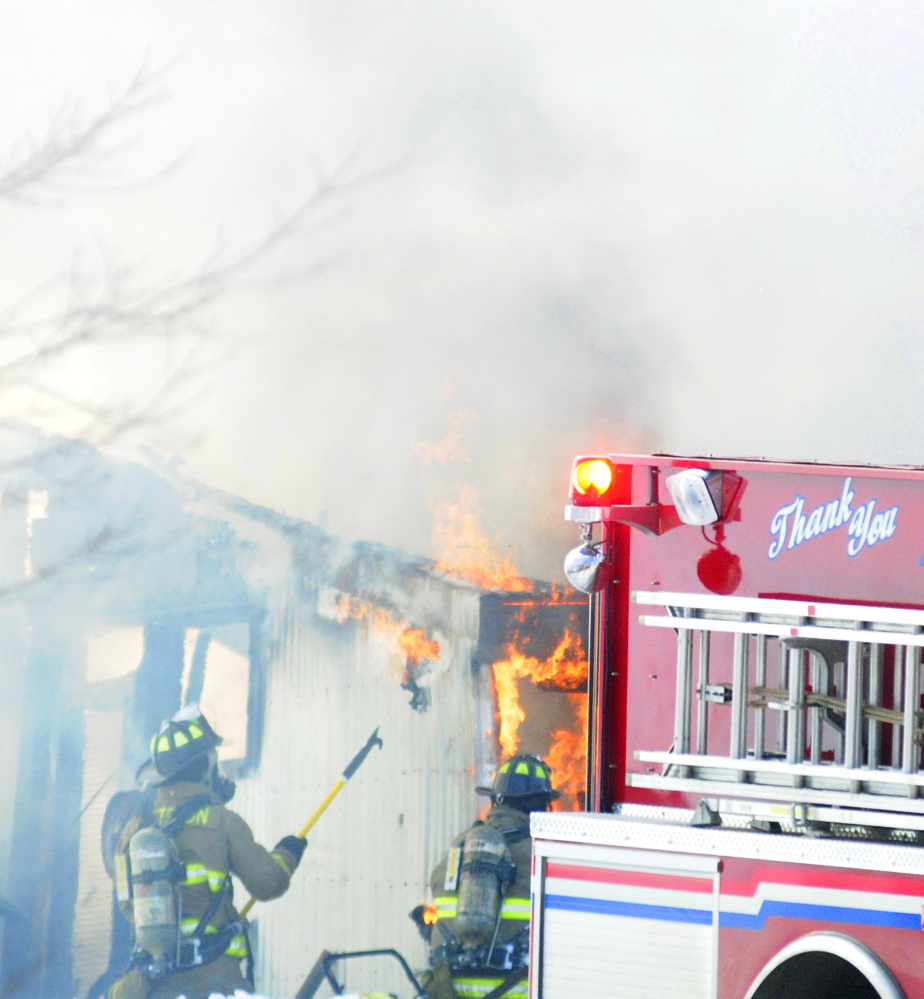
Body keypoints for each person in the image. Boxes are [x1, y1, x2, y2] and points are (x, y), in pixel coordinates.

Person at [108, 705, 307, 999]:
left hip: (156, 983)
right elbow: (268, 883)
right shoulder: (221, 821)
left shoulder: (136, 825)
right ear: (202, 766)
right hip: (215, 980)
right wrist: (287, 855)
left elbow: (126, 901)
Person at [418, 755, 559, 999]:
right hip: (512, 989)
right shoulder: (542, 852)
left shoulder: (462, 843)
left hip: (452, 986)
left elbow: (439, 887)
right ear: (541, 804)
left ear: (496, 800)